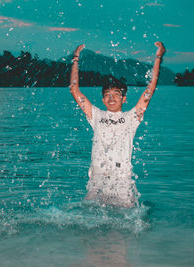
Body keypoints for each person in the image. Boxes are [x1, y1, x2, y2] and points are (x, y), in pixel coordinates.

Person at [69, 42, 166, 208]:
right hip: (97, 182)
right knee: (86, 215)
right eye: (107, 94)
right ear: (102, 99)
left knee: (127, 223)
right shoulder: (96, 115)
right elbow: (74, 90)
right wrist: (75, 59)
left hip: (122, 183)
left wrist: (158, 57)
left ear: (124, 99)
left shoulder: (132, 118)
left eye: (116, 94)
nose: (111, 98)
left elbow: (150, 88)